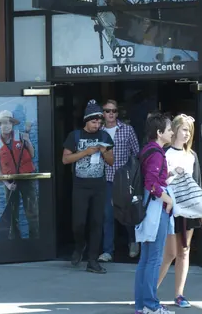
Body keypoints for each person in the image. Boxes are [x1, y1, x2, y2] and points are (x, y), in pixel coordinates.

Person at [157, 114, 202, 308]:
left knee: (184, 251)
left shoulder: (192, 155)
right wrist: (172, 173)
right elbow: (157, 180)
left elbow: (197, 184)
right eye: (184, 129)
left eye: (189, 130)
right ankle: (150, 291)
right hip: (169, 206)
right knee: (169, 253)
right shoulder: (164, 152)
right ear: (175, 130)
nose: (187, 134)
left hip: (188, 206)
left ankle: (179, 294)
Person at [62, 99, 115, 273]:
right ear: (86, 120)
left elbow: (111, 161)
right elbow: (65, 159)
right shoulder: (75, 136)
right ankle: (80, 245)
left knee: (97, 222)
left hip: (99, 186)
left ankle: (92, 260)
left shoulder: (104, 137)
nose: (97, 125)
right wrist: (85, 152)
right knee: (79, 222)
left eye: (99, 122)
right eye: (94, 122)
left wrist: (104, 152)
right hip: (80, 185)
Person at [134, 113, 175, 314]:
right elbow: (151, 184)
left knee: (146, 258)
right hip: (155, 209)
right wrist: (169, 200)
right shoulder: (157, 153)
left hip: (147, 208)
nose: (172, 132)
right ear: (159, 133)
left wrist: (168, 176)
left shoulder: (147, 150)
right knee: (154, 258)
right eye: (169, 129)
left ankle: (141, 305)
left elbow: (152, 179)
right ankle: (151, 304)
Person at [99, 99, 141, 263]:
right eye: (107, 111)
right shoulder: (99, 131)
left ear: (117, 113)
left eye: (114, 111)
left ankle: (133, 241)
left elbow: (136, 153)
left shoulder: (127, 130)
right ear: (103, 113)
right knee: (107, 215)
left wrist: (133, 176)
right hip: (106, 179)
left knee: (126, 213)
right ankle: (108, 250)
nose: (111, 114)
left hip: (124, 180)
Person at [0, 110, 39, 239]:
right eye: (3, 123)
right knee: (13, 214)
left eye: (8, 123)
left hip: (26, 179)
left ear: (12, 125)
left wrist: (28, 142)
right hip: (10, 182)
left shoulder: (22, 137)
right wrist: (7, 184)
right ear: (0, 126)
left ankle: (35, 240)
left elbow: (32, 154)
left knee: (32, 212)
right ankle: (15, 240)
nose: (6, 126)